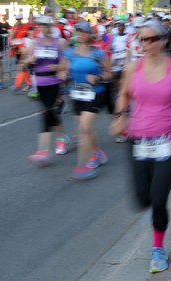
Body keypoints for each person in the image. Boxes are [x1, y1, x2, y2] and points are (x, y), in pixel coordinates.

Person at [111, 19, 171, 273]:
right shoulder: (132, 68)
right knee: (142, 199)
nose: (147, 43)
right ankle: (154, 218)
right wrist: (120, 116)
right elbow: (124, 94)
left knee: (159, 198)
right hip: (137, 140)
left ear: (164, 40)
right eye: (142, 39)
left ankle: (157, 247)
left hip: (169, 141)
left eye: (152, 38)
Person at [61, 21, 111, 179]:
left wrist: (98, 77)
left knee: (84, 128)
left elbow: (110, 73)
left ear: (91, 35)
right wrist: (62, 74)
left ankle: (86, 164)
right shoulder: (70, 53)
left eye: (84, 32)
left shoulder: (98, 54)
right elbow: (63, 69)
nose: (81, 35)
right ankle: (97, 152)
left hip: (96, 94)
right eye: (78, 31)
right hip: (77, 94)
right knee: (86, 130)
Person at [23, 16, 70, 166]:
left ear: (50, 26)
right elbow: (23, 64)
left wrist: (59, 68)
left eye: (45, 26)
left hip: (54, 81)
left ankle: (42, 151)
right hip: (39, 82)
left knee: (47, 112)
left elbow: (65, 63)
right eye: (40, 26)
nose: (43, 29)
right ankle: (62, 138)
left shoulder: (59, 43)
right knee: (50, 112)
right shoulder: (35, 43)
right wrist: (30, 59)